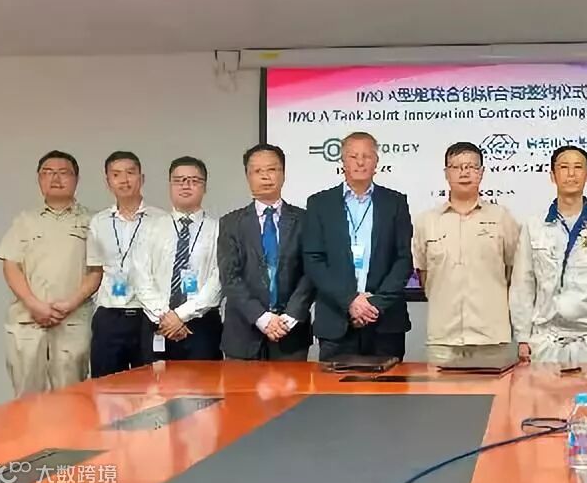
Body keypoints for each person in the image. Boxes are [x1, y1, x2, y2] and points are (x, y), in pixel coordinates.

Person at [509, 145, 587, 364]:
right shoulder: (534, 225)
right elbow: (522, 284)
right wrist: (523, 336)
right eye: (564, 167)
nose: (571, 174)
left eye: (578, 167)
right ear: (552, 175)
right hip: (545, 340)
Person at [0, 151, 102, 395]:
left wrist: (70, 303)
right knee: (27, 398)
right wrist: (34, 305)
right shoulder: (25, 221)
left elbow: (97, 270)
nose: (55, 178)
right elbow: (11, 265)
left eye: (63, 172)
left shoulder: (93, 221)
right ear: (39, 179)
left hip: (73, 320)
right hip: (27, 319)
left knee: (71, 397)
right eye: (48, 172)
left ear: (76, 179)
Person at [303, 131, 413, 360]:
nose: (360, 162)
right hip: (336, 321)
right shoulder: (319, 204)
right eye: (353, 156)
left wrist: (374, 304)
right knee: (334, 385)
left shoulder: (395, 203)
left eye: (367, 156)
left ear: (376, 162)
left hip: (385, 322)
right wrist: (350, 300)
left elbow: (403, 259)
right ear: (342, 162)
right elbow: (314, 260)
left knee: (388, 384)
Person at [412, 142, 520, 364]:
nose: (464, 173)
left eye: (471, 167)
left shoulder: (502, 218)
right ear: (446, 173)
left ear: (481, 173)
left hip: (491, 338)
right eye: (456, 167)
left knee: (495, 389)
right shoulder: (426, 222)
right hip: (443, 339)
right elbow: (424, 275)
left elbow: (513, 271)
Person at [218, 144, 314, 361]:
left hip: (290, 334)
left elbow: (311, 273)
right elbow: (230, 277)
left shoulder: (305, 220)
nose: (265, 176)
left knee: (293, 387)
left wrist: (289, 317)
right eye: (257, 171)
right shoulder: (231, 223)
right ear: (247, 176)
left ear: (283, 174)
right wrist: (262, 318)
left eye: (272, 169)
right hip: (243, 334)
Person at [86, 151, 167, 378]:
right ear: (108, 182)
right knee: (106, 386)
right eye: (116, 174)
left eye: (130, 173)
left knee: (151, 386)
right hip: (110, 314)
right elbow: (95, 270)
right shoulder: (99, 222)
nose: (124, 179)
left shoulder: (162, 220)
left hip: (148, 314)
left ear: (142, 178)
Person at [133, 157, 222, 361]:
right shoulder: (150, 228)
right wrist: (165, 316)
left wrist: (181, 315)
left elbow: (218, 280)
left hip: (202, 324)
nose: (186, 185)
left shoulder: (219, 229)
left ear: (205, 187)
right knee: (155, 381)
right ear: (170, 185)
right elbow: (140, 276)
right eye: (179, 180)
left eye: (194, 180)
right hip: (158, 322)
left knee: (203, 382)